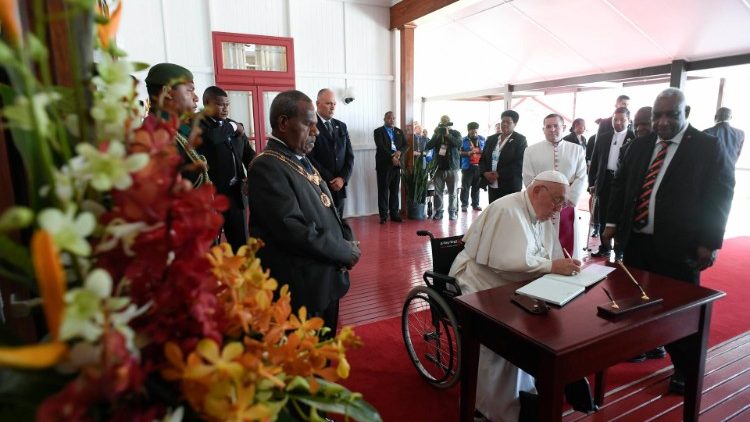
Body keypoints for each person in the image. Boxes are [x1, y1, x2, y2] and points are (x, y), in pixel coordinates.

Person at [603, 88, 735, 395]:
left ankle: (685, 370)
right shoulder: (641, 144)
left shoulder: (707, 147)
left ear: (686, 113)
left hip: (680, 247)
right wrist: (611, 222)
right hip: (636, 242)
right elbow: (622, 185)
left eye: (671, 115)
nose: (662, 122)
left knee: (681, 312)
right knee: (635, 303)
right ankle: (647, 346)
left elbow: (720, 195)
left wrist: (710, 240)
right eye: (657, 115)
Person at [449, 170, 593, 422]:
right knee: (501, 338)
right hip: (481, 282)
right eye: (557, 200)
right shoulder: (507, 210)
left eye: (563, 202)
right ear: (538, 191)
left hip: (516, 284)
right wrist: (551, 267)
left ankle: (535, 386)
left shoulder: (541, 213)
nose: (559, 209)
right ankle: (491, 408)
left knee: (545, 326)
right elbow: (501, 262)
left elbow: (547, 254)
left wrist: (561, 264)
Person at [246, 90, 361, 336]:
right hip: (301, 288)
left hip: (324, 279)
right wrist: (343, 250)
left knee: (325, 352)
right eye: (309, 124)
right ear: (284, 123)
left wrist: (347, 240)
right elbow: (293, 229)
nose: (316, 131)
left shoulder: (299, 158)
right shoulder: (267, 166)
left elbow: (328, 205)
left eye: (316, 125)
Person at [197, 86, 256, 252]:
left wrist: (251, 176)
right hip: (212, 196)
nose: (225, 108)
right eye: (220, 104)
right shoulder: (199, 125)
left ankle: (242, 276)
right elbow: (213, 138)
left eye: (227, 104)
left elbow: (249, 155)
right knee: (210, 246)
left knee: (240, 243)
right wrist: (233, 127)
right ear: (207, 104)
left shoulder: (234, 126)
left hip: (235, 194)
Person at [522, 114, 587, 258]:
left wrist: (567, 199)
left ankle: (566, 263)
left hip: (566, 204)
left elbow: (581, 176)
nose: (552, 129)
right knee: (541, 239)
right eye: (548, 126)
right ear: (543, 129)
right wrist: (541, 199)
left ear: (563, 127)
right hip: (542, 204)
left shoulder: (577, 150)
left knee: (566, 238)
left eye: (556, 126)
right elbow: (528, 177)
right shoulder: (531, 150)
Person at [135, 62, 209, 187]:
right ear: (168, 92)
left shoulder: (176, 131)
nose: (196, 98)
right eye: (189, 90)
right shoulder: (156, 136)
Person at [588, 107, 634, 260]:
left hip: (623, 183)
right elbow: (594, 161)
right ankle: (604, 247)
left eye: (622, 120)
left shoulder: (634, 138)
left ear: (629, 121)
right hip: (605, 180)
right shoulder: (603, 137)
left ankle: (619, 250)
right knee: (602, 216)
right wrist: (592, 182)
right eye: (616, 119)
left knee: (619, 216)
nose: (618, 123)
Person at [307, 88, 354, 218]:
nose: (332, 107)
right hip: (321, 186)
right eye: (328, 103)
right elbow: (310, 158)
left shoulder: (341, 126)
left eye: (334, 104)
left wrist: (343, 178)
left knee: (339, 222)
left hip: (340, 187)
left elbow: (349, 156)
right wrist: (330, 179)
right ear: (317, 104)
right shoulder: (310, 126)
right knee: (324, 224)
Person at [479, 110, 528, 203]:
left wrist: (499, 174)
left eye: (508, 122)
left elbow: (520, 162)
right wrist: (485, 173)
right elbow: (482, 159)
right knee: (494, 211)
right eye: (503, 121)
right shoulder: (491, 139)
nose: (504, 124)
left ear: (515, 124)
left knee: (508, 213)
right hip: (491, 182)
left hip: (509, 184)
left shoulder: (520, 140)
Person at [374, 111, 408, 224]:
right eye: (389, 118)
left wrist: (399, 152)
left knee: (394, 190)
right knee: (383, 190)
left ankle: (394, 214)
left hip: (396, 165)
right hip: (384, 166)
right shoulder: (378, 131)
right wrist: (391, 157)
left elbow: (405, 145)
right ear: (384, 119)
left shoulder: (398, 131)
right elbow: (381, 146)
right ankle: (383, 215)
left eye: (393, 118)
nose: (391, 120)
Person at [426, 115, 462, 220]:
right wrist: (437, 135)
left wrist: (448, 135)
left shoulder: (455, 133)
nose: (444, 123)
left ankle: (452, 212)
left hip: (453, 167)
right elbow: (429, 145)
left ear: (450, 122)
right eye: (443, 122)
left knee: (453, 192)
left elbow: (458, 143)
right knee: (438, 192)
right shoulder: (437, 133)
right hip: (439, 167)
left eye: (446, 122)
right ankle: (439, 212)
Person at [459, 122, 485, 212]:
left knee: (476, 187)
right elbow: (458, 152)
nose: (474, 133)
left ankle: (475, 204)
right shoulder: (463, 140)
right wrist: (467, 153)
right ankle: (464, 205)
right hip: (467, 167)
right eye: (472, 131)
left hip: (479, 166)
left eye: (476, 131)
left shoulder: (482, 139)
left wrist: (482, 152)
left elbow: (486, 150)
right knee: (465, 187)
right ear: (468, 130)